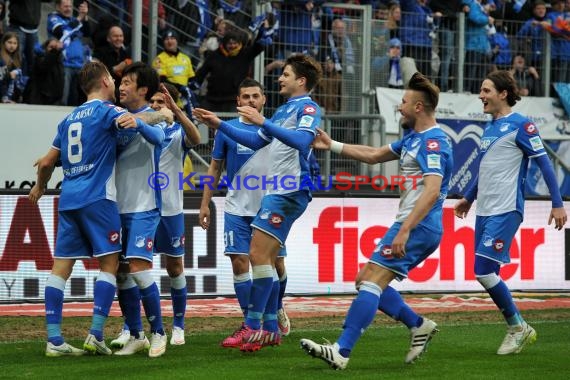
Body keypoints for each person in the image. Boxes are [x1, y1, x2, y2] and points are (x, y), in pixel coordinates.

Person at [300, 72, 453, 370]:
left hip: (418, 225)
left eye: (404, 102)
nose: (400, 107)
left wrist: (406, 230)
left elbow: (433, 190)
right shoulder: (413, 139)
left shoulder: (434, 142)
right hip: (410, 222)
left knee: (371, 281)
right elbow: (374, 154)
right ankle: (418, 324)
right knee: (365, 281)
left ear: (418, 108)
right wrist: (332, 145)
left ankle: (341, 351)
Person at [193, 54, 323, 351]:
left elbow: (303, 142)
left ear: (301, 81)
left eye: (286, 74)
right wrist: (218, 124)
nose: (280, 78)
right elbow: (256, 141)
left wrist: (262, 120)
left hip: (290, 189)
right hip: (275, 192)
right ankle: (269, 331)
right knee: (257, 257)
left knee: (261, 256)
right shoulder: (282, 112)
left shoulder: (308, 108)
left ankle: (254, 326)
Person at [27, 61, 139, 357]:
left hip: (69, 200)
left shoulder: (67, 120)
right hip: (99, 198)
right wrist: (162, 115)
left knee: (60, 268)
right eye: (113, 81)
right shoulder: (107, 111)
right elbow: (135, 122)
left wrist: (40, 187)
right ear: (104, 81)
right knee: (109, 264)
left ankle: (54, 340)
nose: (116, 86)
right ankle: (96, 334)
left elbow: (48, 161)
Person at [454, 70, 567, 355]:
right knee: (484, 271)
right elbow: (486, 170)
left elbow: (544, 164)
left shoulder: (522, 126)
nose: (481, 95)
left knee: (483, 270)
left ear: (503, 94)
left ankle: (518, 327)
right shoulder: (490, 128)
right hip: (484, 210)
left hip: (507, 208)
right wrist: (468, 199)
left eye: (486, 90)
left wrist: (557, 202)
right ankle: (518, 326)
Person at [198, 78, 292, 350]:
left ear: (263, 100)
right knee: (240, 263)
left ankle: (275, 311)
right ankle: (250, 325)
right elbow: (214, 168)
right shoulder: (227, 131)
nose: (250, 101)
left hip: (270, 209)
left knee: (276, 266)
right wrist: (205, 203)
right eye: (245, 97)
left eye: (255, 96)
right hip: (237, 209)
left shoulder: (275, 128)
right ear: (238, 102)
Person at [112, 62, 169, 358]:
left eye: (128, 82)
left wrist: (141, 123)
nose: (121, 86)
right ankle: (135, 334)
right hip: (113, 205)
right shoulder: (114, 116)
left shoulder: (155, 118)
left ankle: (159, 332)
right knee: (121, 272)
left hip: (144, 204)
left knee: (138, 267)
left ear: (143, 90)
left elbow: (160, 139)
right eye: (120, 82)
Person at [47, 0, 91, 106]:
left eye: (70, 6)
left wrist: (85, 17)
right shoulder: (53, 18)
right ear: (58, 6)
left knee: (77, 100)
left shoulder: (73, 20)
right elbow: (61, 32)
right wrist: (79, 18)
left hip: (79, 64)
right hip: (64, 65)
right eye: (65, 6)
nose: (68, 9)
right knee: (63, 98)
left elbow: (87, 33)